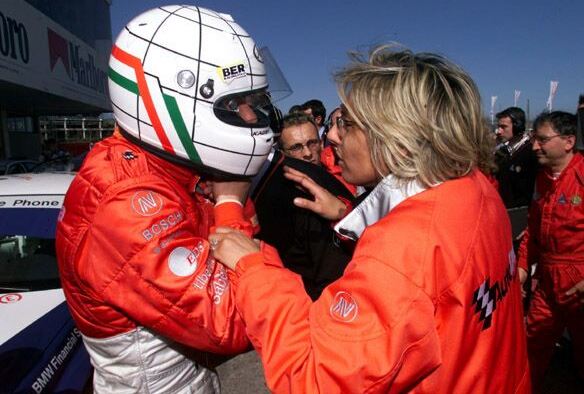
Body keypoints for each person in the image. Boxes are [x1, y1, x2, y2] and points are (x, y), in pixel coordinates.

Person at [209, 45, 531, 393]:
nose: (330, 137)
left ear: (397, 137)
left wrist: (254, 269)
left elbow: (313, 378)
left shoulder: (402, 248)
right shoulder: (476, 187)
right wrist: (349, 216)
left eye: (345, 125)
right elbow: (436, 285)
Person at [56, 5, 279, 393]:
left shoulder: (171, 169)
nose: (250, 116)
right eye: (233, 104)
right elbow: (236, 320)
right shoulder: (125, 199)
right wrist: (229, 205)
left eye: (253, 100)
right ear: (170, 100)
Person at [252, 112, 354, 300]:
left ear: (321, 143)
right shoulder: (283, 202)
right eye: (296, 147)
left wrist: (345, 212)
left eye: (312, 143)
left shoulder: (351, 174)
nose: (307, 153)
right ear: (283, 153)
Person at [517, 111, 584, 388]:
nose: (534, 146)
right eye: (534, 139)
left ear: (569, 141)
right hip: (547, 281)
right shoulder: (542, 179)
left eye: (542, 139)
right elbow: (532, 229)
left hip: (578, 284)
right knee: (532, 344)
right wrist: (522, 267)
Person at [494, 107, 539, 208]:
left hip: (521, 214)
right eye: (498, 127)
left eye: (503, 127)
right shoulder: (500, 152)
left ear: (517, 127)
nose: (499, 131)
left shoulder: (531, 153)